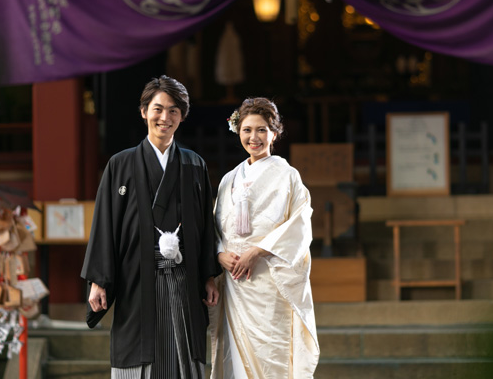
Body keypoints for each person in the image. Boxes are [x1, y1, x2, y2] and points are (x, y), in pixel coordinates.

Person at [81, 75, 220, 379]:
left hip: (184, 279)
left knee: (182, 356)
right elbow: (105, 224)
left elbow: (205, 227)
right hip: (136, 279)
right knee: (138, 357)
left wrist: (209, 276)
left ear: (182, 116)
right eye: (158, 109)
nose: (165, 117)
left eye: (173, 110)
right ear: (143, 111)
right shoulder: (120, 165)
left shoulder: (194, 165)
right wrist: (99, 280)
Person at [209, 97, 320, 378]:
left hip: (269, 279)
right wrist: (220, 253)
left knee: (271, 353)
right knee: (234, 354)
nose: (254, 137)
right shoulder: (228, 179)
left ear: (274, 132)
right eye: (247, 130)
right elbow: (214, 225)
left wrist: (257, 251)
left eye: (261, 130)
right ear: (238, 131)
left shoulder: (287, 175)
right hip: (235, 282)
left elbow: (300, 224)